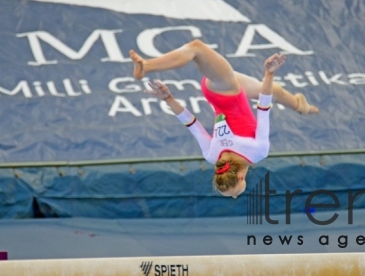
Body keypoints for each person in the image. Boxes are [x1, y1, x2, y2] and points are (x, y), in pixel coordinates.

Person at [130, 40, 318, 198]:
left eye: (234, 194)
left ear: (242, 178)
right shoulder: (212, 157)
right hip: (233, 91)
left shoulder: (258, 152)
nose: (236, 197)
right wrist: (168, 99)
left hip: (224, 89)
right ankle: (301, 105)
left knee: (197, 48)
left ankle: (146, 67)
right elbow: (192, 124)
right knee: (274, 90)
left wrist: (269, 73)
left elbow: (263, 108)